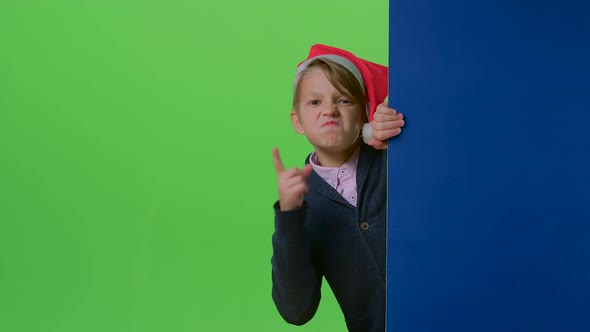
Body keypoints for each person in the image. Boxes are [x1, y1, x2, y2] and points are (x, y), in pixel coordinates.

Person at [270, 44, 405, 332]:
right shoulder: (301, 206)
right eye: (314, 102)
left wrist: (394, 125)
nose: (329, 110)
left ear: (364, 115)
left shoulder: (395, 159)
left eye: (344, 100)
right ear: (298, 121)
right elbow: (296, 310)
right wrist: (289, 217)